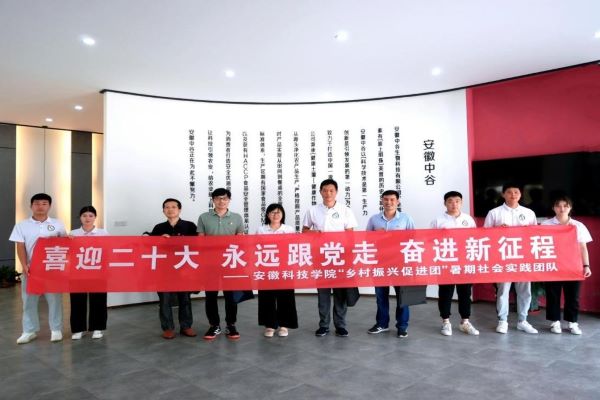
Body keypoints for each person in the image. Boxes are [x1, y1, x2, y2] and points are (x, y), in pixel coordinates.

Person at [303, 178, 358, 337]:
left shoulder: (345, 210)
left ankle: (340, 325)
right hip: (321, 256)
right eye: (325, 190)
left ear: (336, 192)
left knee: (341, 293)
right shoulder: (313, 210)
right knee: (323, 293)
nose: (328, 193)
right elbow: (304, 231)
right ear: (320, 192)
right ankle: (324, 325)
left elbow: (350, 233)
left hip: (340, 257)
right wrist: (316, 233)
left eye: (331, 190)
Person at [9, 193, 67, 344]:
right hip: (31, 270)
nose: (40, 206)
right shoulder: (22, 225)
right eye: (37, 203)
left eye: (44, 203)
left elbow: (64, 244)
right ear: (31, 206)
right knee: (29, 301)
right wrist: (24, 265)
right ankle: (29, 331)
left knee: (55, 300)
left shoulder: (58, 224)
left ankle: (56, 329)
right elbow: (20, 246)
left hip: (52, 269)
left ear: (49, 206)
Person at [484, 183, 538, 334]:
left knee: (525, 291)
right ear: (503, 194)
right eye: (509, 192)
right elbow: (484, 236)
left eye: (516, 192)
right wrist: (496, 231)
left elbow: (535, 234)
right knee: (503, 291)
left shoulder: (529, 213)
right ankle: (502, 321)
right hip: (503, 258)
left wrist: (528, 231)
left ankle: (523, 320)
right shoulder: (494, 213)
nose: (513, 195)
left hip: (523, 258)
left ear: (520, 194)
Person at [197, 188, 245, 340]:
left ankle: (231, 325)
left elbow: (240, 240)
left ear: (229, 200)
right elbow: (200, 240)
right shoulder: (204, 217)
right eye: (217, 198)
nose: (221, 201)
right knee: (210, 296)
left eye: (224, 198)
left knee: (231, 296)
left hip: (230, 262)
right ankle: (214, 325)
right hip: (210, 263)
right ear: (213, 200)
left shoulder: (237, 217)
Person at [366, 190, 414, 338]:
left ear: (398, 201)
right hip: (380, 263)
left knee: (403, 296)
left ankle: (402, 326)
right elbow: (366, 239)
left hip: (400, 263)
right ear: (382, 201)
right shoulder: (374, 219)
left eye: (392, 199)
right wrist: (376, 235)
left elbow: (413, 239)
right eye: (386, 199)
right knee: (381, 296)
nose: (389, 202)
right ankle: (382, 324)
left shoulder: (406, 218)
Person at [430, 191, 479, 336]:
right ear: (445, 203)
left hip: (464, 261)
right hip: (445, 262)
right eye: (450, 201)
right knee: (445, 293)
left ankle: (465, 322)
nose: (454, 204)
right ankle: (445, 322)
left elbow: (475, 239)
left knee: (465, 293)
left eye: (457, 201)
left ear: (461, 203)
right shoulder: (438, 220)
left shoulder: (468, 219)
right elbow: (429, 241)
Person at [542, 195, 592, 335]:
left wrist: (586, 265)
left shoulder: (578, 225)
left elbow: (583, 247)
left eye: (565, 205)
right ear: (553, 208)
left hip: (573, 266)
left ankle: (572, 322)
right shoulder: (546, 224)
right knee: (553, 295)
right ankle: (555, 322)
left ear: (570, 208)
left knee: (573, 296)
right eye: (558, 206)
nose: (562, 208)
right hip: (553, 266)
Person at [150, 198, 198, 339]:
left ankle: (186, 326)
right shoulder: (159, 228)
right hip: (164, 270)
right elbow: (150, 247)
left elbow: (198, 245)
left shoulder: (189, 226)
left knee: (185, 298)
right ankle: (168, 328)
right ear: (163, 210)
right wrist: (159, 240)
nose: (170, 209)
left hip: (184, 268)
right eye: (167, 207)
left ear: (179, 209)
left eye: (173, 207)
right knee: (164, 300)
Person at [256, 203, 298, 337]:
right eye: (273, 212)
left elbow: (294, 247)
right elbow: (256, 247)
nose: (276, 215)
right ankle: (269, 325)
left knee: (285, 297)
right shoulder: (261, 230)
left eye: (278, 212)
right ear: (268, 215)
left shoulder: (289, 229)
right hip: (266, 267)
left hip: (284, 267)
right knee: (266, 297)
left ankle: (284, 325)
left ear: (283, 214)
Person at [70, 206, 109, 340]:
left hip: (98, 272)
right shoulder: (73, 233)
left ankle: (97, 328)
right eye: (84, 215)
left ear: (95, 217)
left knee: (98, 300)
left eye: (91, 215)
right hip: (78, 272)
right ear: (80, 217)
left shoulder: (103, 233)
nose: (87, 218)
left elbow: (107, 251)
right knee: (77, 301)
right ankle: (78, 329)